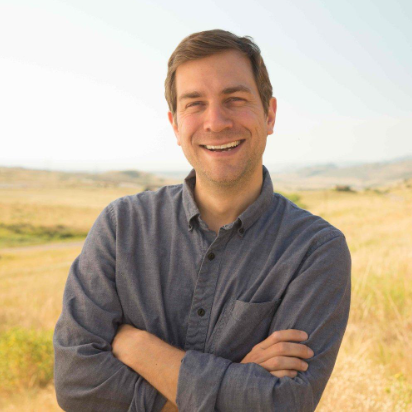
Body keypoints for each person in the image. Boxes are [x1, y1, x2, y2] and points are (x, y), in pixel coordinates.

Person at [54, 29, 351, 412]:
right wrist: (235, 381)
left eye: (235, 99)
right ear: (175, 125)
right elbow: (76, 385)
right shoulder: (120, 227)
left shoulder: (315, 249)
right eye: (195, 104)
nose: (215, 121)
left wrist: (140, 349)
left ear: (270, 114)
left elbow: (286, 404)